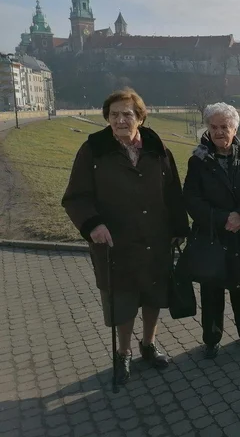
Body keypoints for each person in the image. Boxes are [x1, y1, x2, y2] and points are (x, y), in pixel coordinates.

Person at [62, 88, 189, 384]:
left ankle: (148, 344)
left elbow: (173, 192)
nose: (120, 120)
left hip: (156, 239)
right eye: (114, 114)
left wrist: (179, 228)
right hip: (115, 242)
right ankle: (124, 353)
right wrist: (93, 224)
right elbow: (76, 197)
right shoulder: (93, 150)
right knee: (124, 299)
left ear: (140, 118)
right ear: (107, 118)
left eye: (127, 114)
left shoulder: (158, 149)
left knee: (153, 295)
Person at [183, 102, 240, 358]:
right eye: (214, 127)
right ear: (208, 129)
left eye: (225, 126)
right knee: (212, 290)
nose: (220, 132)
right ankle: (211, 338)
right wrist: (223, 219)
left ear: (235, 128)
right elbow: (191, 199)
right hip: (213, 235)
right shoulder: (198, 160)